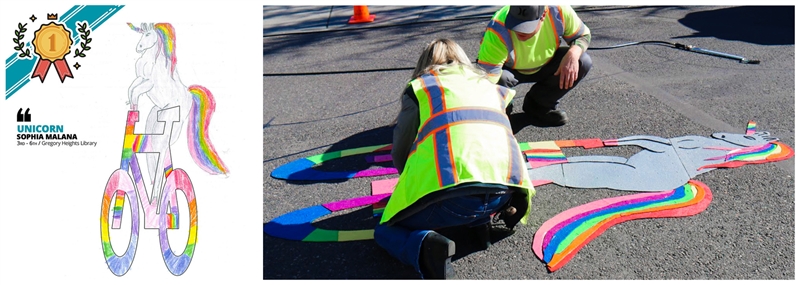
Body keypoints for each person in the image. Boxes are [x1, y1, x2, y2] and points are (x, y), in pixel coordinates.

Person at [374, 38, 536, 279]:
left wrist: (407, 186)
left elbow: (401, 149)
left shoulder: (421, 87)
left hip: (452, 198)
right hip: (507, 192)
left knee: (385, 231)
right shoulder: (489, 85)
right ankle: (479, 224)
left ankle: (424, 247)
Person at [477, 5, 593, 126]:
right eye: (516, 24)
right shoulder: (497, 28)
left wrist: (573, 54)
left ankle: (539, 105)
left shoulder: (558, 10)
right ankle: (502, 114)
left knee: (582, 61)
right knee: (498, 81)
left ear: (543, 16)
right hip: (509, 71)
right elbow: (487, 80)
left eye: (526, 26)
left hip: (546, 64)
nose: (520, 31)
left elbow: (582, 35)